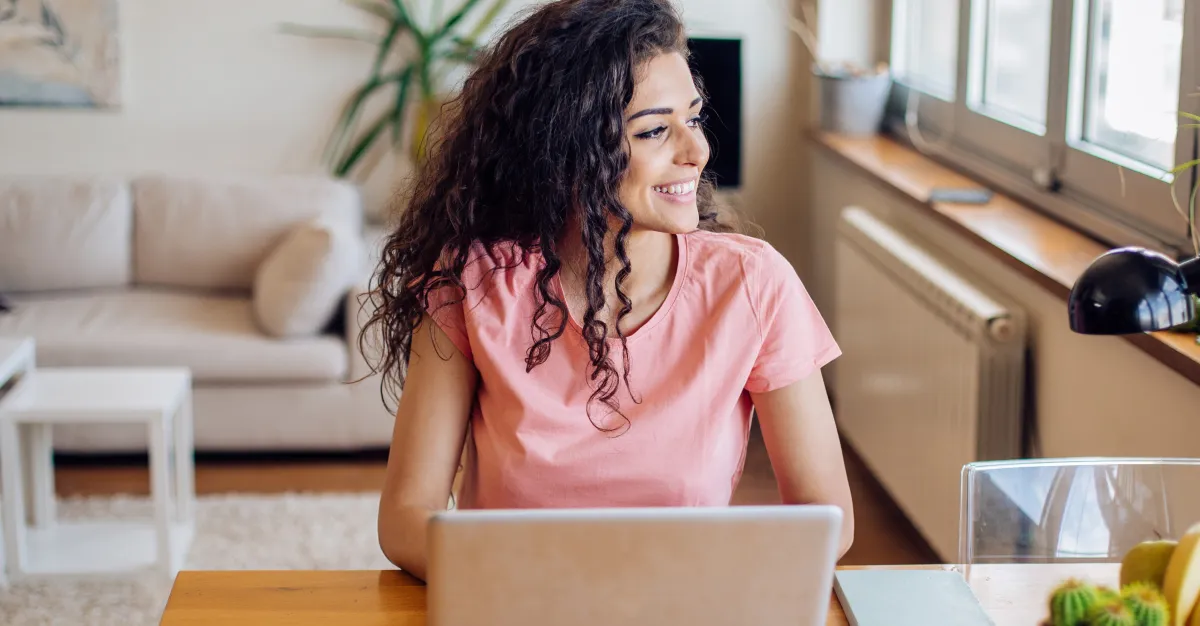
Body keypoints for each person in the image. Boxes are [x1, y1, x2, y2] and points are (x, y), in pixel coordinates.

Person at [361, 0, 854, 581]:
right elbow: (404, 518)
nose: (697, 151)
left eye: (693, 118)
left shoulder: (753, 284)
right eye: (653, 130)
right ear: (567, 150)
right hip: (516, 605)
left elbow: (829, 519)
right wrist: (548, 578)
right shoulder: (475, 283)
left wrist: (709, 578)